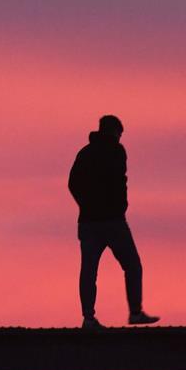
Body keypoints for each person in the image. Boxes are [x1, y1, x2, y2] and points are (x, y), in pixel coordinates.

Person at [68, 115, 160, 330]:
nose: (120, 138)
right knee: (132, 265)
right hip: (112, 221)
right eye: (119, 134)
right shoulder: (117, 152)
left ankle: (88, 318)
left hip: (89, 221)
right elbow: (119, 181)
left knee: (89, 271)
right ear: (114, 132)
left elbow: (73, 183)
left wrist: (85, 204)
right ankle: (135, 313)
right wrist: (118, 206)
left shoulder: (85, 153)